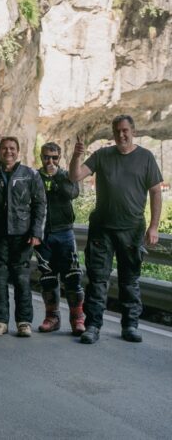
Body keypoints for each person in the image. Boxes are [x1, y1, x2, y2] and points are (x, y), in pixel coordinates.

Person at [69, 115, 163, 344]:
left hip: (132, 229)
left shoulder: (146, 157)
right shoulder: (102, 155)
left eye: (125, 130)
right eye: (117, 131)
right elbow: (75, 176)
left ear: (133, 131)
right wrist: (76, 156)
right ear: (113, 133)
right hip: (102, 229)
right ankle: (93, 326)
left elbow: (156, 192)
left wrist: (153, 226)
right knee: (97, 279)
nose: (121, 134)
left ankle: (130, 325)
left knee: (129, 280)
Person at [0, 136, 46, 337]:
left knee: (22, 279)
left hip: (22, 234)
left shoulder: (30, 174)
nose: (8, 152)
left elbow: (40, 204)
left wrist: (36, 232)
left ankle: (24, 322)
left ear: (18, 151)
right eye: (4, 148)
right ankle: (0, 321)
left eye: (12, 148)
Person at [34, 142, 85, 335]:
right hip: (44, 234)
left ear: (59, 158)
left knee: (73, 276)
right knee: (47, 277)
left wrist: (56, 176)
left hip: (64, 232)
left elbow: (73, 193)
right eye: (46, 157)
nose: (50, 161)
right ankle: (52, 318)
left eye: (54, 157)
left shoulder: (66, 175)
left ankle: (77, 319)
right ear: (41, 157)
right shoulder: (35, 176)